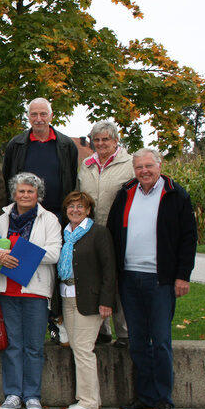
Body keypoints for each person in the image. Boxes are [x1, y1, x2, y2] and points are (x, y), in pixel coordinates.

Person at [107, 148, 197, 409]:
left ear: (159, 166)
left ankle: (163, 399)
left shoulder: (175, 193)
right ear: (133, 169)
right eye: (139, 167)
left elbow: (188, 238)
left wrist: (183, 275)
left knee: (160, 340)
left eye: (149, 166)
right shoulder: (126, 193)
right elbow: (112, 232)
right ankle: (145, 396)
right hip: (130, 277)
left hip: (161, 279)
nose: (144, 171)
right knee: (137, 341)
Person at [0, 172, 61, 409]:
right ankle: (12, 394)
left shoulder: (48, 220)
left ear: (37, 194)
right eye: (21, 191)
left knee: (33, 346)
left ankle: (32, 395)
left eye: (30, 191)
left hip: (36, 290)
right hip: (8, 289)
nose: (26, 195)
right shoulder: (2, 219)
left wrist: (19, 252)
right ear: (14, 194)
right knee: (12, 345)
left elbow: (54, 254)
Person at [58, 192, 116, 409]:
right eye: (71, 206)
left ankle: (87, 401)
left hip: (90, 300)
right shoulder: (65, 234)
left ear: (88, 210)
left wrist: (106, 301)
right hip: (67, 296)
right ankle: (93, 397)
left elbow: (109, 269)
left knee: (83, 349)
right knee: (77, 347)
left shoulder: (98, 233)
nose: (75, 210)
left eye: (80, 207)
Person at [77, 120, 134, 347]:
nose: (101, 144)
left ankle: (125, 332)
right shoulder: (86, 165)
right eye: (97, 140)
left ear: (115, 141)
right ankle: (101, 330)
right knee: (94, 277)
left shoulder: (129, 164)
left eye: (106, 140)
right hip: (91, 230)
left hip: (119, 230)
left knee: (117, 279)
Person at [2, 98, 78, 219]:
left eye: (43, 114)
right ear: (28, 117)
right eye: (34, 114)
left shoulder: (67, 145)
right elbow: (6, 179)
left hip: (58, 215)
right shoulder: (16, 145)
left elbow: (72, 180)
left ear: (51, 116)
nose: (38, 119)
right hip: (24, 214)